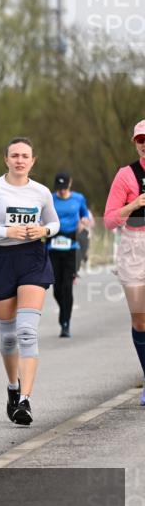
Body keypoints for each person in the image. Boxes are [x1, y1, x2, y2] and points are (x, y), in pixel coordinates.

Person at [0, 137, 59, 425]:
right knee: (8, 336)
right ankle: (13, 387)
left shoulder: (41, 192)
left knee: (27, 332)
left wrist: (43, 230)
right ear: (6, 159)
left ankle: (26, 401)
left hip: (32, 259)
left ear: (33, 161)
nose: (20, 160)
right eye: (14, 155)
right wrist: (6, 232)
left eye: (25, 156)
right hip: (0, 260)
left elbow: (55, 224)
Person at [103, 119, 145, 405]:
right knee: (140, 318)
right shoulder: (126, 175)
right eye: (140, 139)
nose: (144, 143)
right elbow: (108, 220)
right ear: (135, 143)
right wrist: (134, 204)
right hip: (135, 247)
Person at [47, 172, 91, 337]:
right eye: (59, 189)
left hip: (72, 246)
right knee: (57, 289)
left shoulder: (78, 198)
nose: (62, 191)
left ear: (70, 184)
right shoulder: (50, 199)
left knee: (67, 286)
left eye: (64, 188)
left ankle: (65, 323)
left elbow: (84, 215)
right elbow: (43, 217)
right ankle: (63, 310)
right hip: (53, 246)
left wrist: (84, 221)